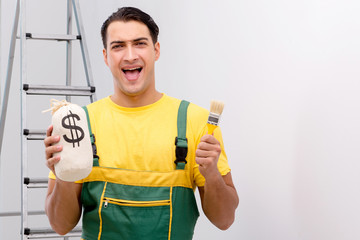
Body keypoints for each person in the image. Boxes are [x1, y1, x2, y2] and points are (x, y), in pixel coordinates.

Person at [44, 6, 238, 240]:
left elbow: (225, 220)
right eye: (118, 46)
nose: (130, 56)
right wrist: (64, 172)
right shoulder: (79, 124)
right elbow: (60, 225)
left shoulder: (195, 121)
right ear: (105, 56)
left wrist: (213, 175)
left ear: (156, 50)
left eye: (140, 43)